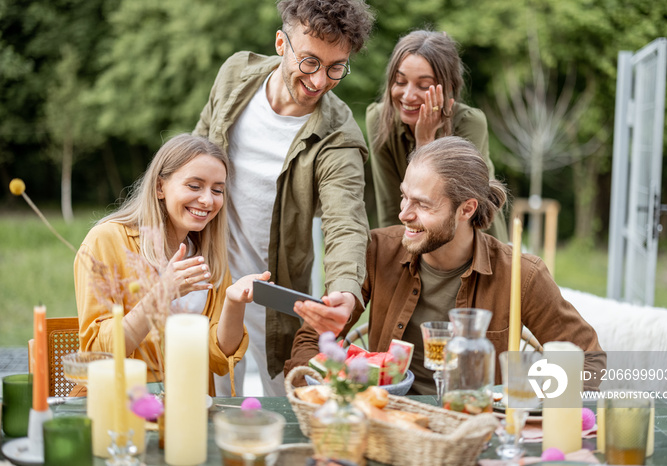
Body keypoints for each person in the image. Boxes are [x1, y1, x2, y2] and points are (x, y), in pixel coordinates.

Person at [286, 136, 605, 393]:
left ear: (466, 209)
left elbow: (589, 360)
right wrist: (321, 390)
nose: (404, 213)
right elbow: (310, 339)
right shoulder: (377, 250)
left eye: (422, 204)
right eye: (404, 197)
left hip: (473, 433)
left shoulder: (522, 275)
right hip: (384, 423)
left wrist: (529, 406)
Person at [193, 0, 375, 396]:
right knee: (209, 405)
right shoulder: (234, 75)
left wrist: (344, 290)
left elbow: (346, 222)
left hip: (276, 298)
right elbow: (195, 159)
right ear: (281, 43)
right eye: (309, 62)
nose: (320, 81)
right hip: (206, 277)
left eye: (336, 68)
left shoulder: (338, 136)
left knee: (289, 406)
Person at [75, 134, 269, 396]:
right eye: (194, 186)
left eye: (217, 190)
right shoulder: (107, 241)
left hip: (191, 402)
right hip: (120, 401)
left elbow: (218, 360)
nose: (207, 200)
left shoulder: (208, 255)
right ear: (160, 187)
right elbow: (98, 355)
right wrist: (162, 292)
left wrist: (235, 303)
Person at [366, 30, 508, 241]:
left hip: (475, 240)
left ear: (448, 88)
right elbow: (389, 209)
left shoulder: (469, 123)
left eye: (423, 86)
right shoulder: (379, 119)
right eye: (400, 81)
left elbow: (458, 215)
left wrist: (425, 144)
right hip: (413, 240)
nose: (408, 96)